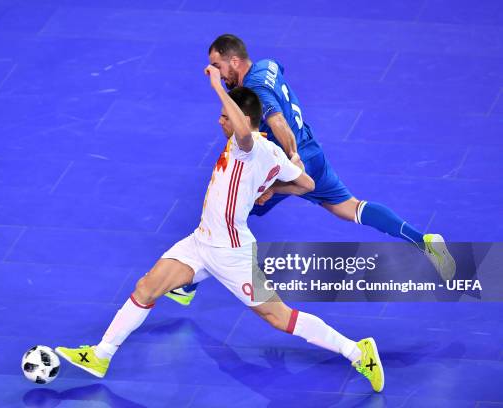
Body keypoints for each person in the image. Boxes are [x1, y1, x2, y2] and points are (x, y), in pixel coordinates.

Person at [55, 65, 385, 393]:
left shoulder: (250, 146)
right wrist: (271, 189)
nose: (220, 120)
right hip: (201, 241)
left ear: (241, 118)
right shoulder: (266, 149)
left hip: (231, 252)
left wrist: (218, 86)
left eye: (225, 116)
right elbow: (306, 183)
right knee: (147, 287)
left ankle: (358, 352)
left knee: (277, 317)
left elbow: (263, 148)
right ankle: (101, 355)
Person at [166, 34, 455, 306]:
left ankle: (189, 285)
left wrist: (292, 158)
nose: (214, 71)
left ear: (235, 61)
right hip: (313, 150)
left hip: (287, 161)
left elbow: (277, 120)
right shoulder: (267, 65)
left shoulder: (255, 88)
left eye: (218, 65)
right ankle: (424, 241)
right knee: (350, 208)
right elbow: (278, 77)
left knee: (225, 215)